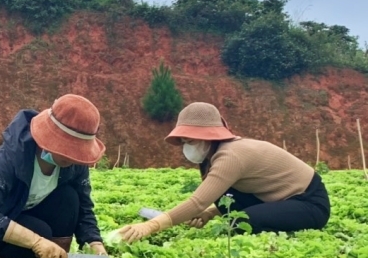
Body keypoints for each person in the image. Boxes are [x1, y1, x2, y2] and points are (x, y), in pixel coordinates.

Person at [117, 102, 331, 243]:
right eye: (184, 142)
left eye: (190, 141)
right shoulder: (214, 156)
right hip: (275, 198)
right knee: (222, 196)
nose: (186, 147)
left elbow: (197, 202)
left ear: (207, 137)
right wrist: (211, 213)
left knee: (245, 221)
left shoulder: (231, 155)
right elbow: (212, 197)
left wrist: (150, 226)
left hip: (309, 203)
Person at [0, 94, 108, 258]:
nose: (72, 158)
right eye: (68, 149)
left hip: (20, 213)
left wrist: (96, 248)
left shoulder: (76, 164)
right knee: (40, 232)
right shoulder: (11, 157)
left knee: (69, 198)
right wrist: (37, 241)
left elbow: (84, 208)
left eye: (77, 152)